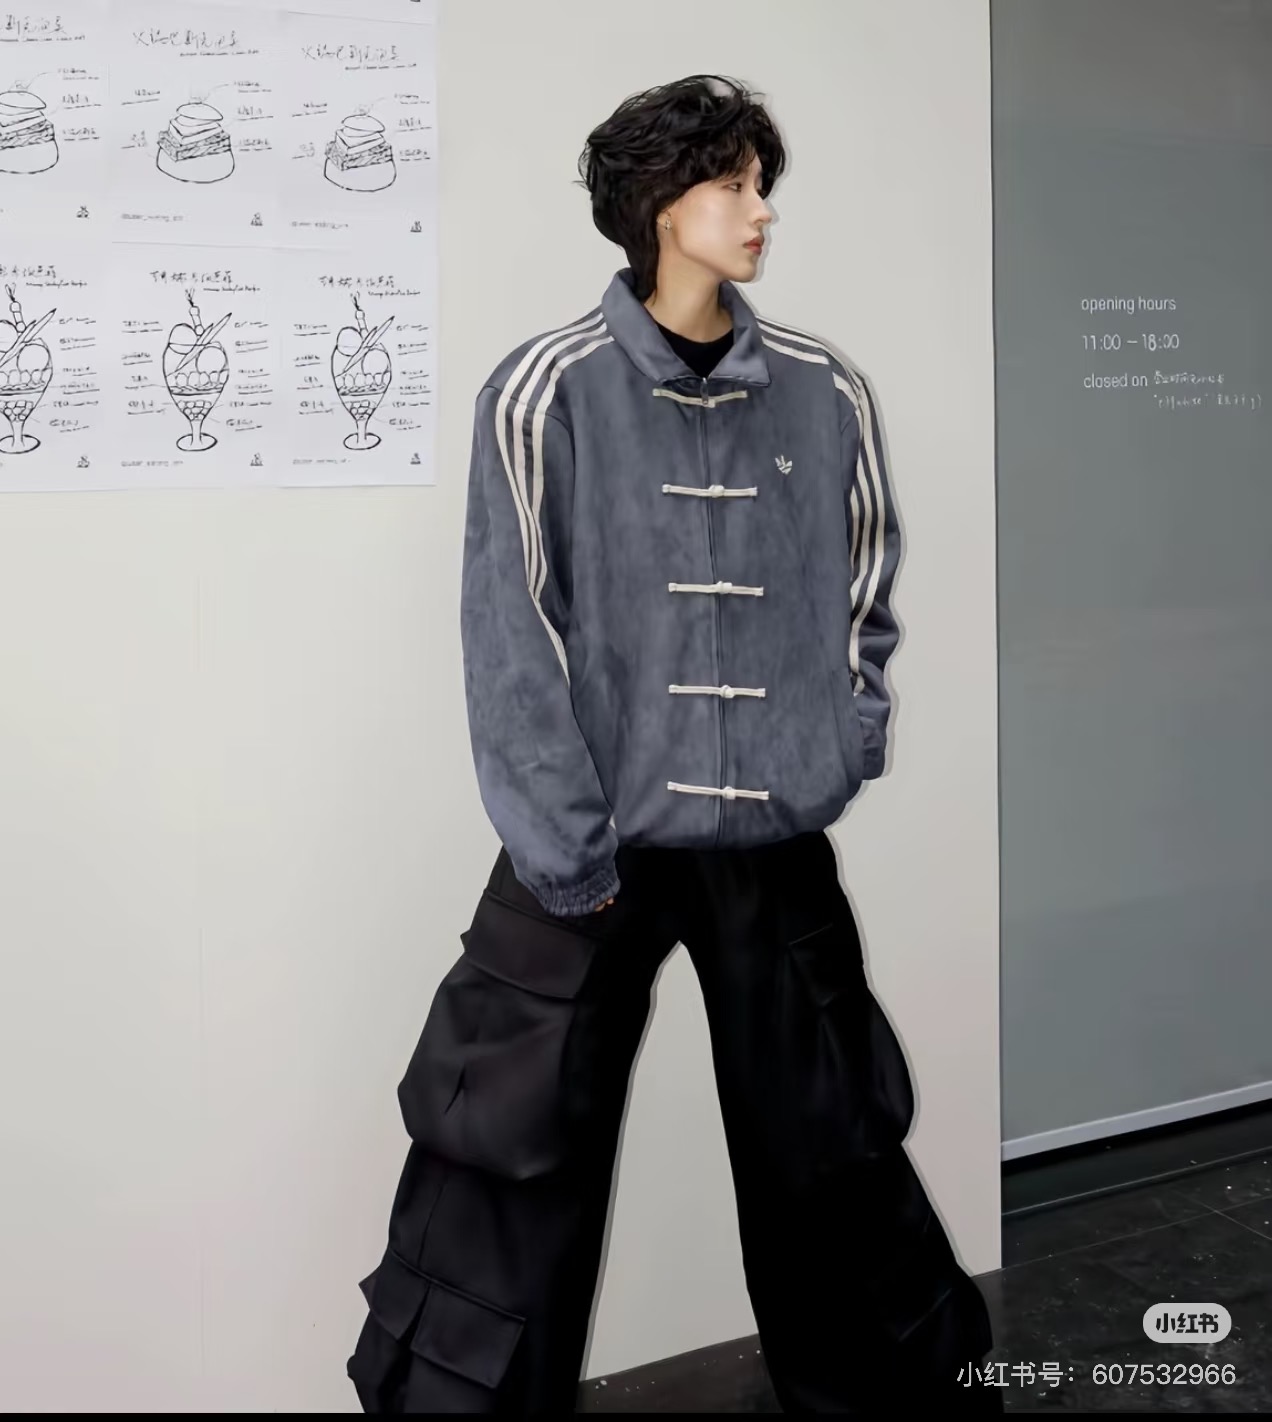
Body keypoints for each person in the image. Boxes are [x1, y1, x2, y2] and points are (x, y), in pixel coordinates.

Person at [348, 74, 999, 1414]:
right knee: (507, 1145)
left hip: (772, 836)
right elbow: (509, 630)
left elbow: (865, 583)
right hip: (593, 843)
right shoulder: (545, 391)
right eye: (733, 184)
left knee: (829, 1139)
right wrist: (563, 847)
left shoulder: (823, 388)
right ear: (658, 204)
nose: (762, 211)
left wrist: (845, 739)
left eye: (763, 184)